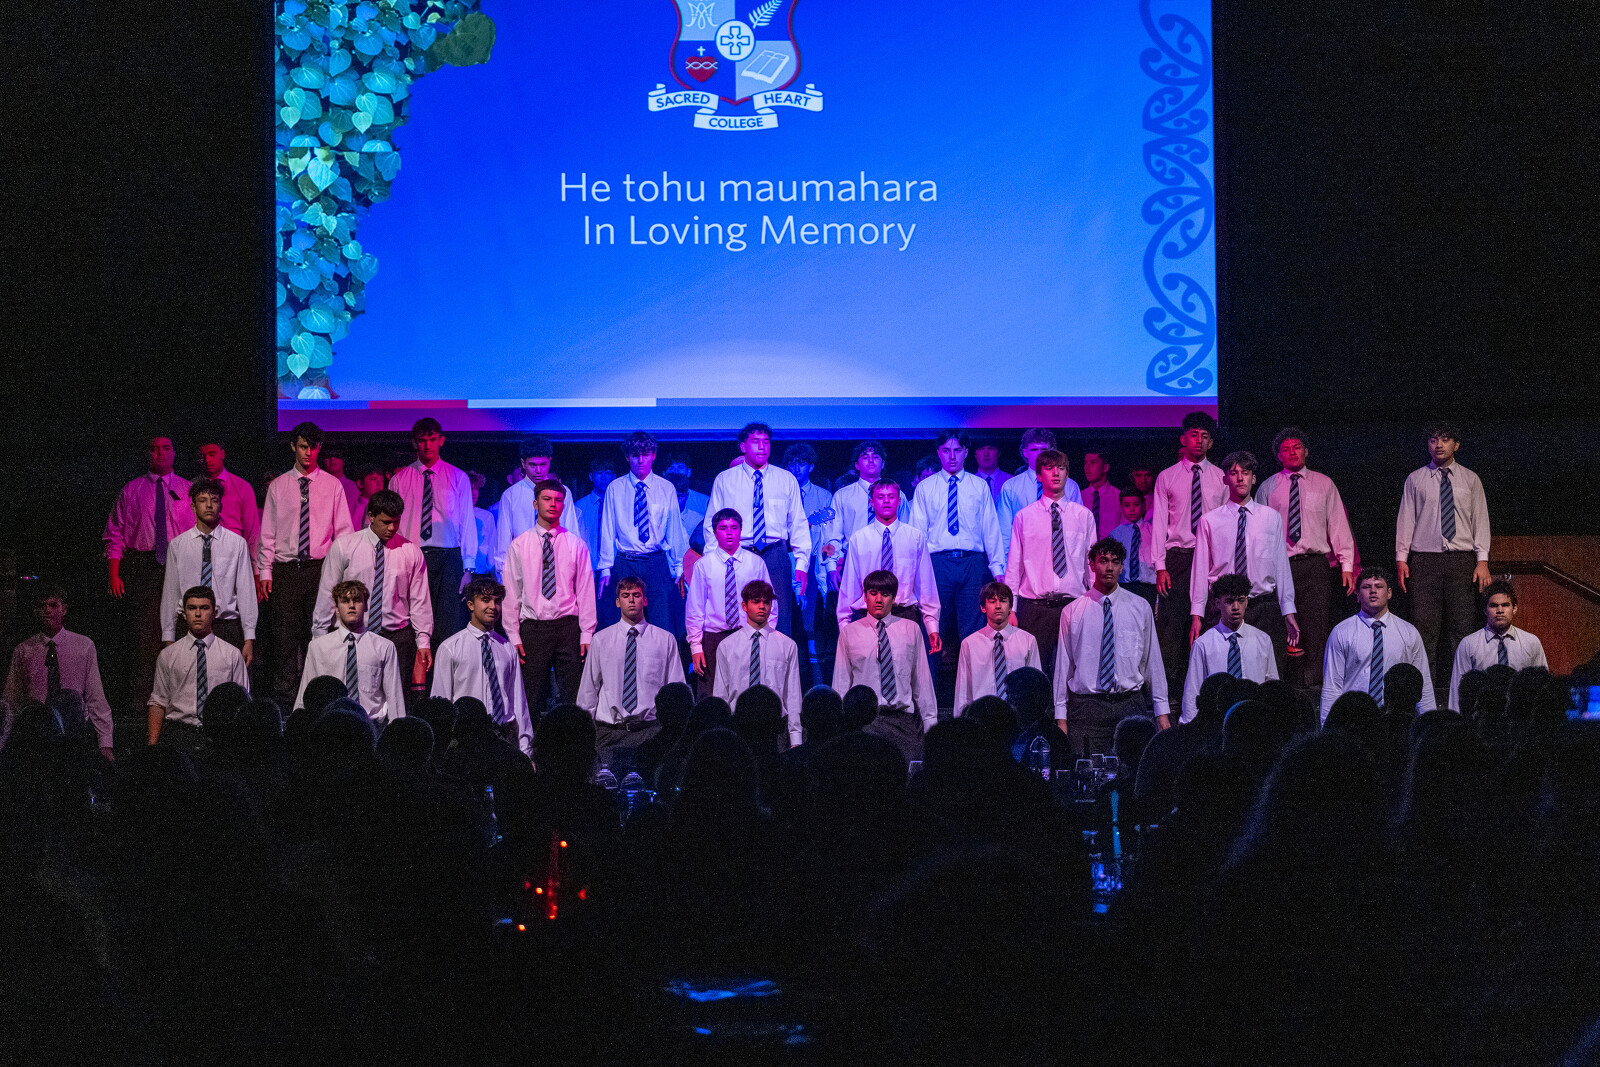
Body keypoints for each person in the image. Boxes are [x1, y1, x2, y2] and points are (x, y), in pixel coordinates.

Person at [257, 421, 354, 703]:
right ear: (293, 446)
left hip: (320, 569)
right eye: (302, 446)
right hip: (286, 569)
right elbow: (268, 531)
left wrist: (342, 572)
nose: (308, 452)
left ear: (319, 448)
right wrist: (265, 571)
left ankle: (318, 693)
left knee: (319, 633)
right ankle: (286, 698)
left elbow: (343, 532)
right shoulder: (278, 486)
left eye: (313, 447)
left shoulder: (332, 485)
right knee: (285, 636)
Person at [1254, 428, 1357, 688]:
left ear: (1306, 451)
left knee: (1316, 624)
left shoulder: (1324, 484)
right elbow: (1258, 532)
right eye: (1286, 449)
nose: (1292, 453)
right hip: (1280, 565)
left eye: (1297, 447)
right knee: (1282, 625)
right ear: (1278, 455)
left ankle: (1315, 685)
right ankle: (1281, 684)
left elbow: (1337, 524)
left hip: (1314, 565)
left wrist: (1346, 565)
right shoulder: (1268, 487)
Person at [1396, 421, 1492, 697]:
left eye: (1445, 439)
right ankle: (1425, 694)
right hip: (1424, 561)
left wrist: (1482, 560)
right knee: (1424, 630)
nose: (1438, 445)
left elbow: (1480, 520)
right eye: (1433, 440)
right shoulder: (1416, 479)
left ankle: (1461, 692)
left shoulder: (1470, 479)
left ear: (1456, 445)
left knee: (1461, 630)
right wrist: (1402, 558)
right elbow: (1406, 519)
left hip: (1461, 561)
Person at [1055, 538, 1170, 753]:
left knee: (1131, 770)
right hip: (1088, 708)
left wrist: (1161, 712)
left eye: (1115, 562)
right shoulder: (1072, 612)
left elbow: (1152, 662)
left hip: (1129, 704)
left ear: (1122, 566)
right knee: (1088, 770)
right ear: (1092, 564)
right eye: (1103, 561)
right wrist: (1061, 718)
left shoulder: (1140, 607)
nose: (1109, 567)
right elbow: (1063, 667)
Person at [1189, 450, 1298, 678]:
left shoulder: (1270, 518)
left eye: (1245, 472)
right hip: (1224, 607)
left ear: (1253, 478)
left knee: (1265, 676)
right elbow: (1200, 569)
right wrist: (1197, 614)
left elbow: (1281, 565)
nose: (1240, 478)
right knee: (1222, 673)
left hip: (1262, 606)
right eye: (1234, 473)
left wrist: (1288, 609)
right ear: (1225, 479)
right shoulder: (1210, 521)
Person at [104, 435, 195, 709]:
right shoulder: (132, 489)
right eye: (154, 449)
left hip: (180, 563)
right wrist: (114, 574)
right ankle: (144, 699)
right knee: (145, 633)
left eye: (166, 449)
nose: (160, 454)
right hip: (143, 565)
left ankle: (182, 696)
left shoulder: (187, 489)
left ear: (174, 453)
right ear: (148, 454)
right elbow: (114, 534)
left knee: (183, 628)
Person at [314, 489, 432, 696]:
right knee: (352, 696)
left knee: (396, 699)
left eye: (396, 522)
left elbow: (419, 600)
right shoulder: (345, 547)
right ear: (371, 516)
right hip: (354, 634)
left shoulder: (411, 551)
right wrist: (319, 637)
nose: (392, 528)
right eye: (386, 522)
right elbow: (327, 593)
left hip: (396, 637)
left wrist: (423, 641)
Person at [706, 422, 812, 647]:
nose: (762, 447)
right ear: (743, 447)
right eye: (755, 442)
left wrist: (802, 563)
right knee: (738, 612)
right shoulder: (725, 480)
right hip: (738, 552)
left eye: (766, 442)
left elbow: (798, 523)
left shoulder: (786, 479)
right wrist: (713, 561)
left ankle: (777, 666)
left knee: (779, 617)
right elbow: (712, 523)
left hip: (775, 554)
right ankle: (741, 664)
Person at [912, 430, 1005, 672]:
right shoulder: (925, 488)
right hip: (937, 564)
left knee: (974, 632)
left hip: (972, 563)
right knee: (934, 629)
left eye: (957, 450)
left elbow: (990, 527)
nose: (951, 456)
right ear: (938, 453)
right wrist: (916, 571)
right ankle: (929, 691)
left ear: (965, 452)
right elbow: (918, 533)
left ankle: (975, 690)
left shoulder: (978, 486)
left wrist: (997, 567)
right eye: (946, 450)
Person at [502, 479, 596, 716]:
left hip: (567, 626)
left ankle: (573, 737)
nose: (553, 504)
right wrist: (513, 634)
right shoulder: (519, 545)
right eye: (546, 499)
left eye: (558, 500)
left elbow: (585, 591)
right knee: (532, 695)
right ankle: (531, 738)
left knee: (572, 694)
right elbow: (511, 593)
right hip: (534, 628)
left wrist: (587, 632)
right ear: (535, 504)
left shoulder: (576, 544)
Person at [1151, 411, 1226, 699]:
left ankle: (1207, 690)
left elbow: (1225, 523)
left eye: (1205, 436)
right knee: (1172, 626)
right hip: (1178, 557)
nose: (1199, 441)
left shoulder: (1221, 477)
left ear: (1211, 442)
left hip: (1210, 557)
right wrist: (1160, 566)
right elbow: (1159, 524)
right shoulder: (1167, 476)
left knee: (1207, 622)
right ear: (1184, 438)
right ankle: (1169, 693)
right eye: (1194, 435)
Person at [1004, 449, 1096, 679]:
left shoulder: (1083, 516)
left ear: (1067, 474)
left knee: (1074, 671)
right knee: (1035, 672)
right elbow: (1014, 565)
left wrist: (1097, 601)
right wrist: (1011, 609)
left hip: (1073, 604)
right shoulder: (1024, 517)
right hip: (1035, 607)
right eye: (1049, 468)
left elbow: (1091, 564)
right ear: (1039, 475)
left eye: (1061, 468)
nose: (1056, 473)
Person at [575, 575, 686, 767]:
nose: (631, 600)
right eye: (626, 596)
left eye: (636, 595)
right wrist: (584, 734)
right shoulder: (601, 640)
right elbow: (588, 690)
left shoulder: (665, 640)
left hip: (651, 732)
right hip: (610, 733)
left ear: (645, 600)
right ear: (618, 602)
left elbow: (676, 690)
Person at [832, 569, 938, 764]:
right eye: (873, 593)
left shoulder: (910, 629)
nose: (879, 599)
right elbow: (841, 683)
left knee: (906, 776)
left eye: (885, 594)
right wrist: (840, 727)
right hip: (864, 723)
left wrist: (931, 725)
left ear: (894, 598)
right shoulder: (850, 633)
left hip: (902, 722)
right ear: (865, 596)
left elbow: (922, 682)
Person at [387, 418, 475, 643]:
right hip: (412, 555)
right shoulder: (399, 480)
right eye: (422, 440)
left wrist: (468, 568)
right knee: (413, 621)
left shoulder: (458, 477)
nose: (427, 446)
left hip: (448, 557)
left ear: (441, 441)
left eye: (432, 440)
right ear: (414, 443)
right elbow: (392, 525)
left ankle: (445, 667)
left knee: (448, 624)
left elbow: (466, 523)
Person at [4, 587, 113, 760]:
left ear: (64, 609)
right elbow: (12, 701)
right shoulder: (24, 651)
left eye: (53, 605)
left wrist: (105, 743)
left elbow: (95, 696)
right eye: (41, 606)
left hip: (74, 732)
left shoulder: (83, 646)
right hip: (36, 734)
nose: (47, 610)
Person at [430, 577, 533, 755]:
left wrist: (525, 750)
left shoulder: (507, 648)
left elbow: (518, 702)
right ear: (470, 605)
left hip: (503, 735)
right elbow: (441, 704)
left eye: (497, 601)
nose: (493, 606)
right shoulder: (450, 648)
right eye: (485, 600)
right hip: (466, 737)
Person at [598, 431, 687, 633]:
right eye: (635, 455)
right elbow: (608, 529)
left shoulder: (666, 488)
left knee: (662, 623)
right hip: (626, 562)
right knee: (625, 625)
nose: (640, 460)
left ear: (653, 455)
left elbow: (674, 529)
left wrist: (679, 565)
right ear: (627, 456)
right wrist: (605, 567)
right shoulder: (615, 488)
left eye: (645, 454)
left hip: (656, 562)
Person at [1322, 566, 1436, 722]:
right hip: (1354, 719)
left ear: (1389, 593)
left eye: (1379, 586)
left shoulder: (1408, 632)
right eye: (1366, 587)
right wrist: (1326, 728)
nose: (1373, 591)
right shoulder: (1342, 633)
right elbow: (1332, 687)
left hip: (1395, 720)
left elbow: (1423, 683)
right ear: (1357, 594)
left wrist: (1429, 724)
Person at [836, 479, 941, 647]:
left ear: (899, 501)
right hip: (868, 615)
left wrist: (932, 626)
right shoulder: (859, 539)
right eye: (880, 497)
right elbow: (850, 586)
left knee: (905, 663)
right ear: (871, 502)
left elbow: (926, 585)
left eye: (891, 497)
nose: (886, 501)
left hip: (904, 614)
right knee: (868, 663)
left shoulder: (914, 537)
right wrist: (844, 626)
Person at [159, 477, 256, 658]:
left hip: (225, 625)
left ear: (221, 505)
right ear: (193, 507)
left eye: (214, 500)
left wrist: (249, 637)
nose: (209, 505)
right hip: (189, 626)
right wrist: (168, 637)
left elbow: (246, 591)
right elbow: (171, 593)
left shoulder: (236, 544)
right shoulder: (178, 545)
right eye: (203, 500)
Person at [685, 508, 774, 698]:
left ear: (741, 530)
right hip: (714, 638)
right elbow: (695, 609)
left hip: (747, 635)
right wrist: (696, 646)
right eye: (723, 528)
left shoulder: (755, 563)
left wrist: (767, 636)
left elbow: (769, 603)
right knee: (712, 696)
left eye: (734, 528)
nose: (729, 533)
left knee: (748, 692)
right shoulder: (704, 565)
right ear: (715, 532)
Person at [149, 586, 249, 747]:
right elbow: (158, 701)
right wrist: (152, 747)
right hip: (179, 733)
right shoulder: (168, 655)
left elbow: (243, 702)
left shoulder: (231, 655)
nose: (197, 614)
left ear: (214, 612)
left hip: (219, 734)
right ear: (183, 613)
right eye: (192, 608)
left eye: (204, 608)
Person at [296, 580, 406, 726]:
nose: (351, 605)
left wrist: (398, 730)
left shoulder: (384, 647)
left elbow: (394, 697)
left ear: (366, 606)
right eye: (345, 601)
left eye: (357, 600)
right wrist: (298, 726)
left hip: (370, 726)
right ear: (336, 608)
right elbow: (306, 693)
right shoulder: (318, 647)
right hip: (330, 725)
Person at [714, 581, 804, 746]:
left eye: (766, 602)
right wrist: (721, 737)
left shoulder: (787, 645)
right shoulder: (727, 646)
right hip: (738, 727)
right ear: (744, 605)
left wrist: (796, 739)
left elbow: (792, 695)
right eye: (756, 602)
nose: (762, 607)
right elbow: (721, 694)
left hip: (775, 728)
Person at [1182, 574, 1278, 722]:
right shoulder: (1203, 644)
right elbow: (1192, 692)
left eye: (1241, 600)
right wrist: (1190, 727)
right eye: (1229, 601)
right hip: (1217, 722)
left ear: (1247, 601)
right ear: (1217, 603)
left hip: (1255, 721)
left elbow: (1272, 686)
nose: (1236, 607)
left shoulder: (1263, 640)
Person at [1448, 580, 1546, 710]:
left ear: (1514, 608)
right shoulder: (1469, 644)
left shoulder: (1531, 643)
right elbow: (1458, 690)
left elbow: (1542, 686)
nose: (1500, 610)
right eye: (1494, 605)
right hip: (1483, 715)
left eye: (1505, 605)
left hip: (1519, 714)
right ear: (1485, 610)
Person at [494, 436, 584, 576]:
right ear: (523, 463)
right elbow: (503, 538)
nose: (538, 470)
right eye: (533, 465)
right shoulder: (511, 495)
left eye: (543, 465)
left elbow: (571, 531)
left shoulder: (562, 491)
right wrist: (502, 571)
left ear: (549, 461)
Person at [822, 440, 908, 583]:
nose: (871, 460)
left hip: (890, 562)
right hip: (853, 561)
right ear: (857, 465)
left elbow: (906, 534)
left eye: (875, 456)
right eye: (865, 457)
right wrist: (831, 567)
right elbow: (832, 534)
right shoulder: (842, 496)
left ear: (883, 463)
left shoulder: (898, 495)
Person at [785, 442, 834, 686]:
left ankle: (816, 679)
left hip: (812, 563)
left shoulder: (823, 496)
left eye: (801, 463)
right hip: (784, 560)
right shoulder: (781, 492)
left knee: (811, 622)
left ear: (811, 466)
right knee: (787, 619)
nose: (796, 468)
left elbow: (827, 533)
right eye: (792, 463)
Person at [953, 582, 1041, 710]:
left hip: (1017, 715)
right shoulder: (969, 644)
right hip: (982, 715)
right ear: (983, 608)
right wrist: (960, 720)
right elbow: (963, 691)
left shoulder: (1027, 641)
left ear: (1010, 607)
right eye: (992, 601)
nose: (998, 606)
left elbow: (1036, 686)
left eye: (1003, 601)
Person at [997, 428, 1082, 557]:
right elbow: (1004, 530)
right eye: (1034, 450)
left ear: (1052, 451)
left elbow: (1078, 526)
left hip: (1060, 555)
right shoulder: (1011, 487)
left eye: (1043, 450)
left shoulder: (1070, 486)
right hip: (1024, 554)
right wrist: (1005, 563)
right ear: (1025, 452)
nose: (1039, 454)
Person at [196, 441, 261, 564]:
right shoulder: (191, 488)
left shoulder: (242, 487)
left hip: (233, 556)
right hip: (201, 558)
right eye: (202, 456)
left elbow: (253, 532)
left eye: (212, 454)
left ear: (222, 454)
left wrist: (256, 568)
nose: (207, 460)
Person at [575, 456, 617, 612]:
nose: (603, 478)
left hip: (614, 569)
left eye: (607, 473)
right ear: (591, 476)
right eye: (599, 473)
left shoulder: (619, 505)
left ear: (614, 477)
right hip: (588, 570)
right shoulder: (579, 507)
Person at [1109, 488, 1158, 609]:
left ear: (1144, 505)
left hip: (1148, 587)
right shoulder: (1115, 534)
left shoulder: (1154, 532)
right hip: (1124, 586)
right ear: (1121, 507)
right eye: (1127, 505)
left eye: (1136, 505)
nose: (1131, 509)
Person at [1080, 451, 1121, 538]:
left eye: (1093, 462)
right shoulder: (1080, 497)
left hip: (1111, 545)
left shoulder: (1118, 497)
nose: (1087, 467)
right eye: (1085, 463)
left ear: (1105, 467)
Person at [466, 471, 498, 579]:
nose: (474, 493)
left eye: (476, 489)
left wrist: (493, 573)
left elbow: (492, 546)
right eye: (470, 488)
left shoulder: (486, 516)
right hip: (458, 572)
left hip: (481, 574)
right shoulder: (453, 516)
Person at [320, 450, 362, 528]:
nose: (332, 459)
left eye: (336, 456)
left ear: (343, 461)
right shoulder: (319, 485)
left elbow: (353, 517)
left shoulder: (350, 486)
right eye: (328, 457)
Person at [353, 464, 386, 528]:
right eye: (374, 479)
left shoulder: (381, 507)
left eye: (381, 480)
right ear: (360, 483)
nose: (379, 484)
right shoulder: (356, 509)